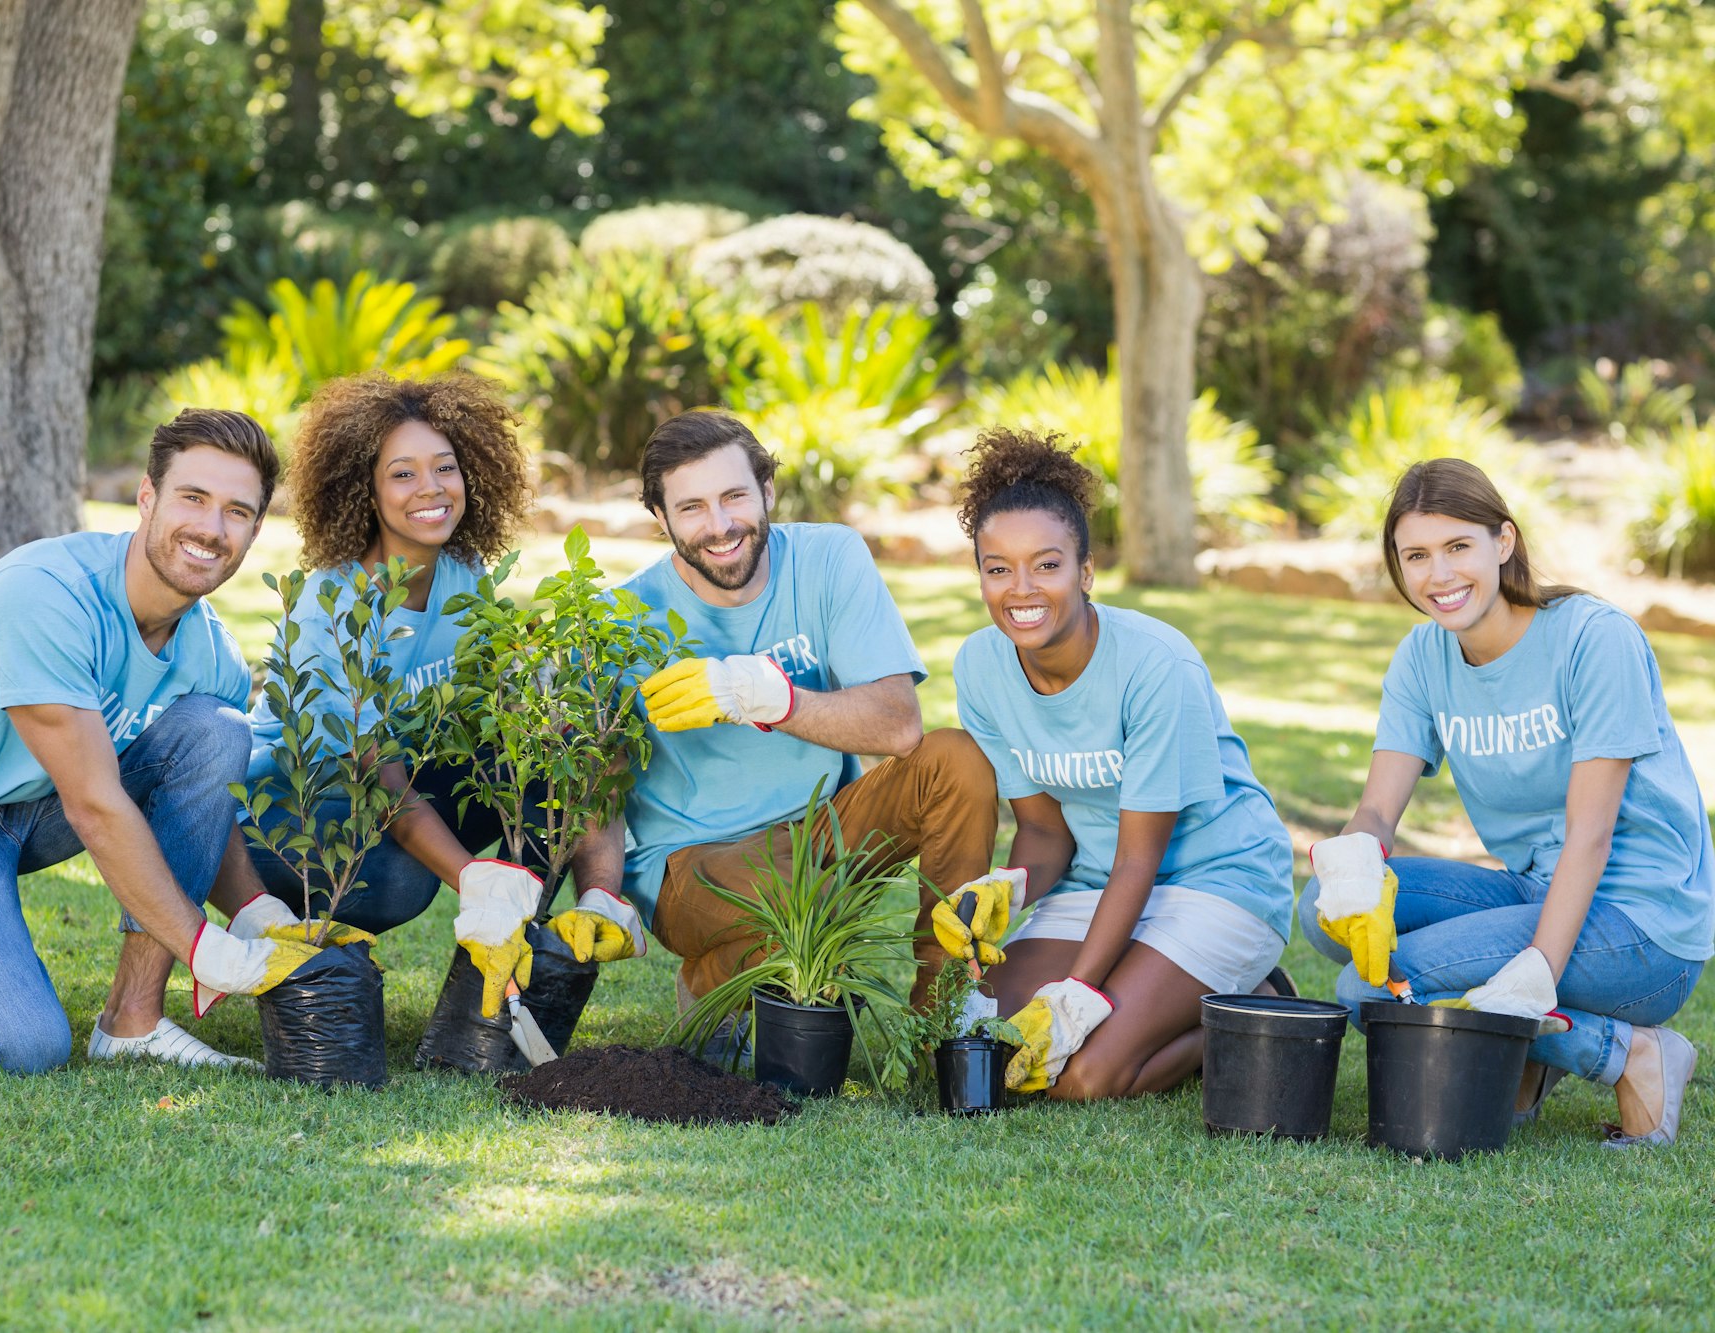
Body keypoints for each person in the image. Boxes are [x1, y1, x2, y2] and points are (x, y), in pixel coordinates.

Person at [0, 410, 331, 1074]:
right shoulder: (49, 596)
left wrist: (256, 912)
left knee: (214, 731)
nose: (211, 527)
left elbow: (201, 796)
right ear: (147, 497)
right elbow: (95, 808)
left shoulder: (211, 653)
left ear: (256, 530)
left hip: (27, 800)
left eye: (237, 511)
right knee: (25, 1045)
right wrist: (204, 948)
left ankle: (133, 1022)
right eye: (192, 498)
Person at [1301, 458, 1709, 1146]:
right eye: (1417, 556)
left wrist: (1538, 970)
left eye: (1459, 546)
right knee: (1324, 917)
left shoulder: (1592, 639)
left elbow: (1590, 834)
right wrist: (1352, 868)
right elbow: (1376, 813)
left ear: (1504, 542)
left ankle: (1630, 1051)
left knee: (1365, 991)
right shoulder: (1423, 658)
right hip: (1535, 890)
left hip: (1644, 924)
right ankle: (1516, 1045)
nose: (1440, 575)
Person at [235, 373, 643, 1016]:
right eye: (402, 474)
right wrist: (470, 879)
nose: (430, 488)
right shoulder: (330, 605)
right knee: (402, 881)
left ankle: (503, 990)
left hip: (402, 793)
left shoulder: (461, 575)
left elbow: (497, 725)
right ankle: (465, 921)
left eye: (445, 467)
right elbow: (376, 772)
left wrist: (563, 719)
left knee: (570, 741)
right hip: (295, 818)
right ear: (361, 488)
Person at [605, 410, 1000, 1018]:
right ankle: (739, 970)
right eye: (691, 508)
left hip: (824, 833)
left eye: (735, 496)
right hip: (696, 863)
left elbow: (897, 726)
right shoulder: (621, 619)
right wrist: (599, 896)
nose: (719, 526)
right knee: (800, 905)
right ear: (660, 518)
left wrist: (767, 697)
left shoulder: (827, 556)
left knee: (956, 762)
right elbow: (595, 779)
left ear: (767, 490)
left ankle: (943, 1017)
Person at [948, 429, 1295, 1100]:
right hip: (1094, 883)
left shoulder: (1155, 665)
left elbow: (1140, 858)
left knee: (1079, 1074)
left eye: (1046, 565)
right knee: (989, 1037)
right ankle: (1164, 983)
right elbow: (1047, 833)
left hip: (1219, 881)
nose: (1021, 589)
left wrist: (1079, 993)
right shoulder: (980, 667)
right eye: (998, 568)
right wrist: (1009, 887)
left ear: (1085, 571)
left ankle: (1253, 1002)